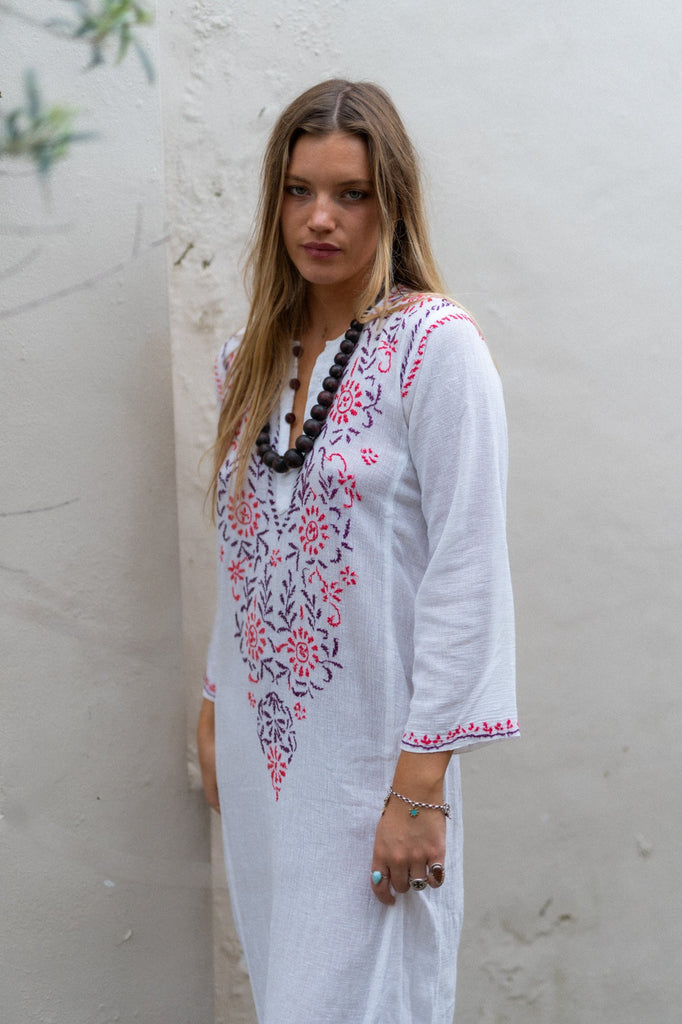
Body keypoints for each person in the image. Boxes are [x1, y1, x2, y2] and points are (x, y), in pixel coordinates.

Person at [197, 78, 518, 1024]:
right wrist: (215, 702)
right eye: (299, 191)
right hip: (268, 764)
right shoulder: (246, 363)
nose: (320, 218)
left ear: (393, 204)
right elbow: (247, 556)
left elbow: (467, 568)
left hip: (377, 771)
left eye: (351, 194)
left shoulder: (434, 349)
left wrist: (421, 786)